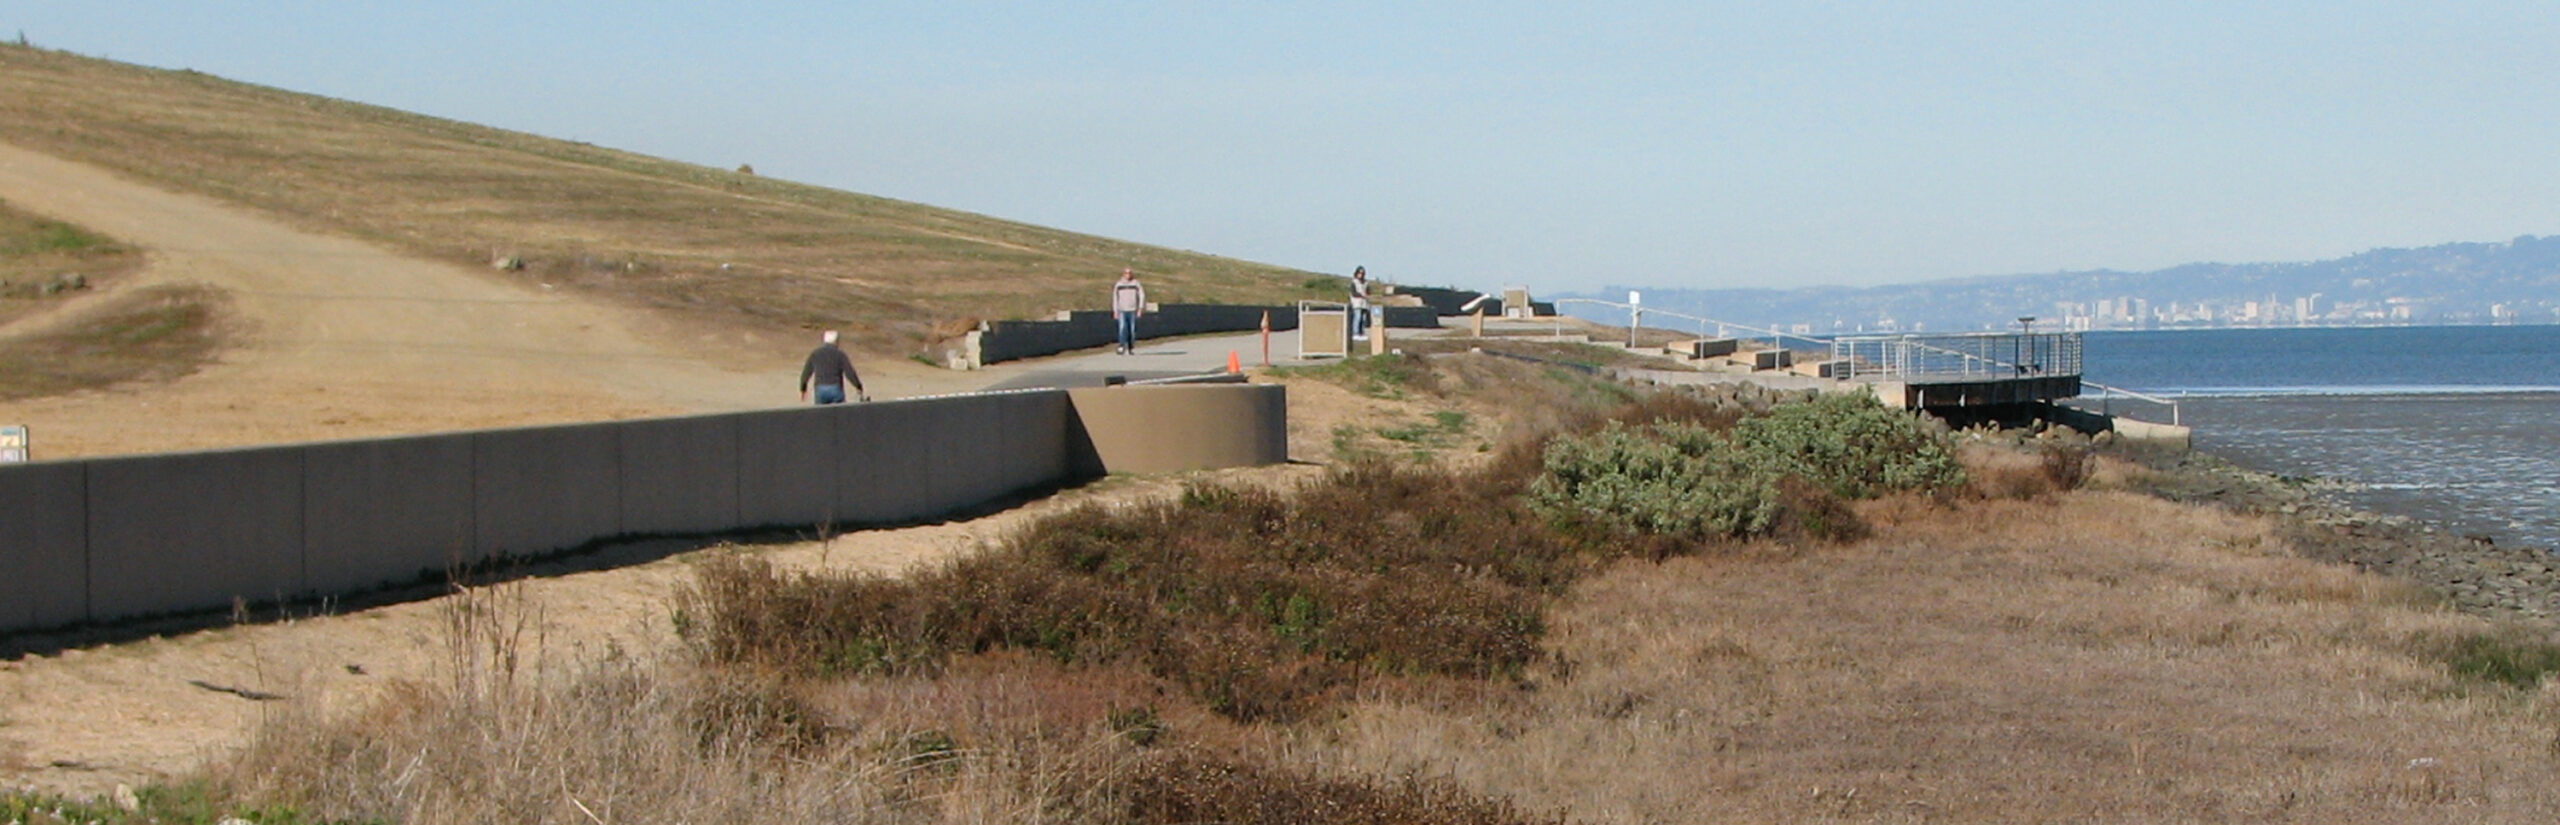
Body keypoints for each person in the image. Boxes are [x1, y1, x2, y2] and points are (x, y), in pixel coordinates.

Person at [798, 330, 867, 404]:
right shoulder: (840, 354)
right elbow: (849, 372)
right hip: (835, 388)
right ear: (836, 341)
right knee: (838, 414)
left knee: (821, 414)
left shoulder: (815, 354)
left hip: (820, 389)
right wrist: (858, 386)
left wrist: (803, 389)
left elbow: (806, 373)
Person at [1111, 267, 1146, 355]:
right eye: (1126, 273)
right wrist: (1115, 310)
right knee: (1122, 328)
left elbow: (1142, 295)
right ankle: (1122, 345)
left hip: (1133, 309)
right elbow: (1115, 297)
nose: (1128, 275)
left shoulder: (1136, 283)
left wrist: (1140, 308)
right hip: (1122, 310)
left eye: (1129, 273)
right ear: (1123, 274)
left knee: (1132, 329)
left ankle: (1130, 346)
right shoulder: (1119, 284)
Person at [1348, 265, 1372, 341]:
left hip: (1365, 304)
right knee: (1357, 318)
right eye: (1359, 273)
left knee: (1363, 319)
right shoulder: (1354, 282)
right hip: (1357, 303)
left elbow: (1369, 292)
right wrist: (1361, 295)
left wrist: (1367, 296)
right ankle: (1356, 333)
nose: (1361, 275)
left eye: (1362, 273)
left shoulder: (1366, 283)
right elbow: (1353, 293)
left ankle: (1362, 333)